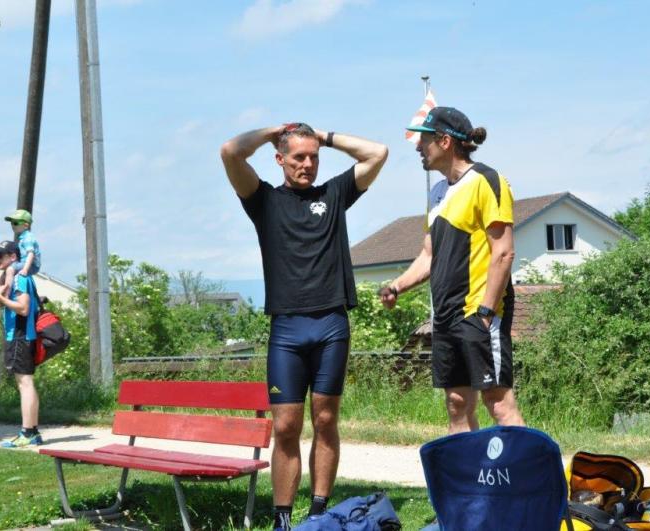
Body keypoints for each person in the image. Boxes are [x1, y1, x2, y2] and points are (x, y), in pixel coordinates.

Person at [220, 122, 387, 531]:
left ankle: (318, 514)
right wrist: (273, 132)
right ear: (280, 159)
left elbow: (377, 153)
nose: (307, 164)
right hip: (287, 331)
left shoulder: (334, 194)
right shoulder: (263, 200)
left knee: (326, 420)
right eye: (298, 157)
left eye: (314, 157)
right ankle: (282, 518)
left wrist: (325, 137)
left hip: (332, 324)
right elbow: (230, 152)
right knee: (286, 426)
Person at [379, 106, 525, 434]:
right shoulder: (437, 192)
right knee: (457, 403)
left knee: (498, 402)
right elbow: (428, 256)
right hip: (445, 317)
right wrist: (397, 286)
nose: (418, 148)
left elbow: (503, 252)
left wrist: (485, 312)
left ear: (445, 141)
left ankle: (528, 469)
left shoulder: (487, 181)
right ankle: (468, 469)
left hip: (478, 311)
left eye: (424, 141)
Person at [0, 240, 42, 448]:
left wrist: (1, 299)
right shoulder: (16, 277)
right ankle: (33, 432)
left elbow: (23, 308)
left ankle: (27, 433)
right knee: (26, 383)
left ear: (13, 257)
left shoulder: (20, 277)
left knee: (25, 384)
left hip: (20, 336)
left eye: (0, 255)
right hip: (21, 335)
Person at [0, 209, 41, 304]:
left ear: (26, 225)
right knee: (4, 274)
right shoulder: (22, 237)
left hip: (31, 265)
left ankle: (6, 296)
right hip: (23, 263)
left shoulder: (28, 237)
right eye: (12, 223)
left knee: (10, 269)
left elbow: (31, 254)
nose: (13, 225)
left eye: (16, 223)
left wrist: (25, 269)